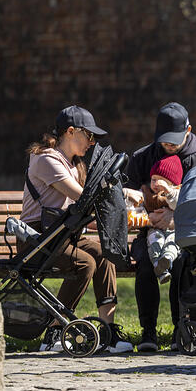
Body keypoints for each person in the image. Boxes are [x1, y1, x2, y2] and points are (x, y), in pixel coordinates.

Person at [21, 105, 133, 353]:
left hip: (59, 236)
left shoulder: (74, 165)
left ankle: (107, 332)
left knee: (105, 253)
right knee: (85, 263)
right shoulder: (47, 159)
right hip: (36, 239)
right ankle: (54, 331)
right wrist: (122, 193)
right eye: (89, 135)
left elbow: (85, 209)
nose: (92, 143)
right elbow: (84, 198)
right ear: (71, 132)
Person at [123, 102, 196, 352]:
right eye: (164, 140)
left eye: (174, 140)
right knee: (146, 264)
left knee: (182, 264)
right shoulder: (142, 158)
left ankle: (180, 328)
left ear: (188, 130)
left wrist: (176, 219)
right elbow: (129, 198)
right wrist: (145, 217)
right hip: (149, 231)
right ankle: (148, 330)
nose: (168, 146)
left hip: (187, 233)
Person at [125, 155, 183, 285]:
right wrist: (141, 215)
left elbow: (177, 204)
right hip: (154, 228)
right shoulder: (146, 192)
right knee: (154, 242)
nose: (156, 184)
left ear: (171, 183)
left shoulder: (176, 192)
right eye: (153, 179)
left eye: (161, 181)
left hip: (174, 231)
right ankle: (159, 266)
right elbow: (138, 206)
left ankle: (167, 258)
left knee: (172, 244)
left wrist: (168, 191)